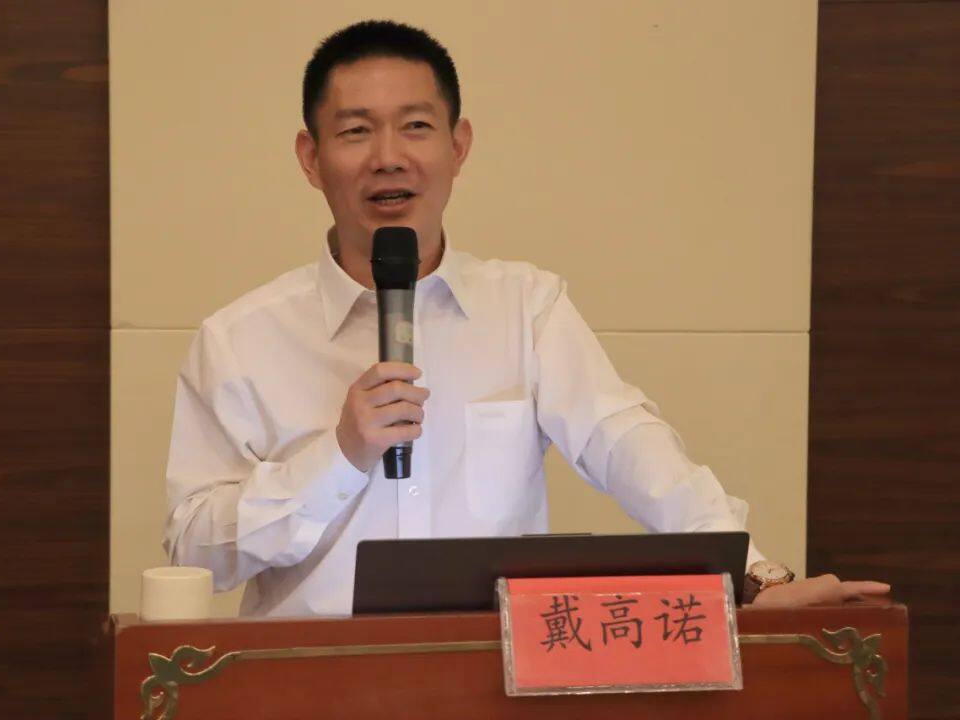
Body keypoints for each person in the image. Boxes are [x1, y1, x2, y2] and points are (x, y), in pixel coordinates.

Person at [163, 20, 888, 618]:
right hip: (308, 686)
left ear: (457, 147)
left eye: (415, 126)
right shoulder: (239, 340)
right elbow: (194, 552)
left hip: (494, 683)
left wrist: (755, 574)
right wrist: (338, 457)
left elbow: (626, 445)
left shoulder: (526, 307)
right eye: (356, 132)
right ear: (311, 158)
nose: (388, 157)